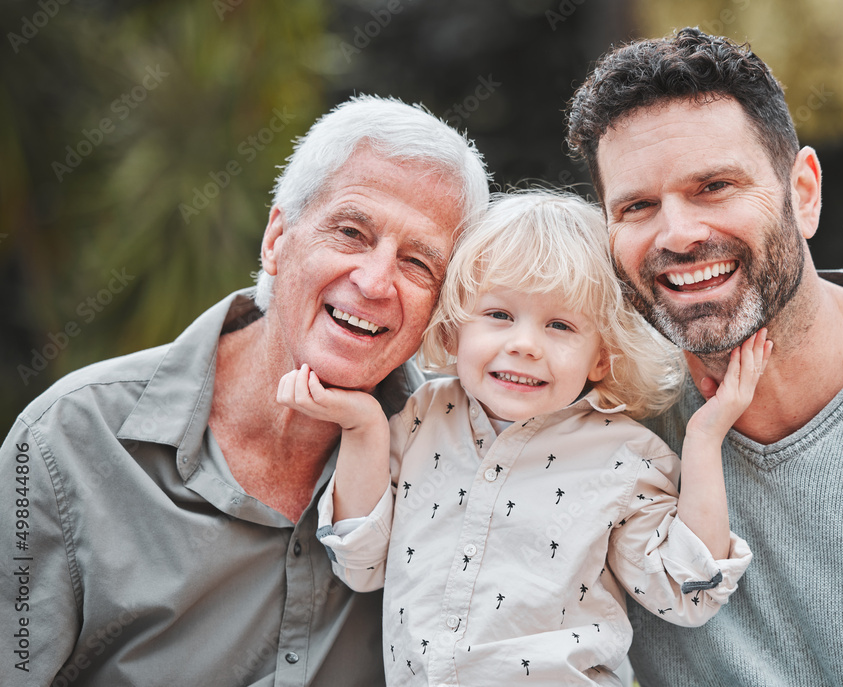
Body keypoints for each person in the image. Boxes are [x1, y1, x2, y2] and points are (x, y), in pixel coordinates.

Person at [0, 95, 490, 686]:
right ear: (277, 239)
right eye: (352, 232)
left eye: (419, 263)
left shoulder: (464, 455)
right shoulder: (68, 442)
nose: (375, 280)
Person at [565, 27, 843, 685]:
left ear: (803, 191)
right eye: (638, 205)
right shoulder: (582, 410)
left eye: (714, 185)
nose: (678, 234)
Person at [276, 190, 769, 685]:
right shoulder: (424, 417)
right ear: (454, 332)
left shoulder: (623, 455)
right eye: (499, 315)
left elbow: (687, 591)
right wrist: (363, 426)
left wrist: (705, 437)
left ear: (601, 356)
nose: (524, 345)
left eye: (559, 325)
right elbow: (360, 562)